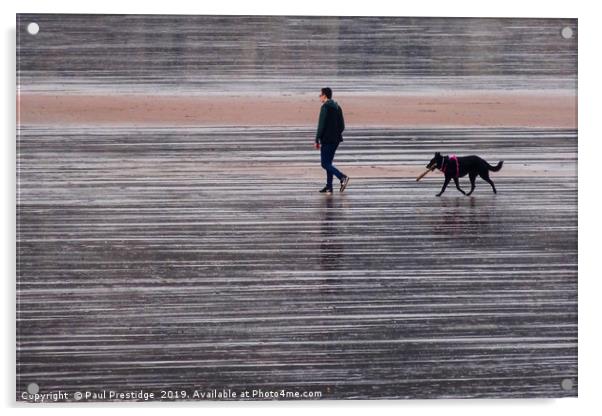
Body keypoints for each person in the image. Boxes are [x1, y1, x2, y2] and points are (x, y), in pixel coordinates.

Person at [315, 87, 349, 194]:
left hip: (327, 140)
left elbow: (321, 125)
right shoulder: (338, 107)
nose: (319, 97)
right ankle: (329, 187)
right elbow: (342, 126)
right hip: (336, 139)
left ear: (325, 95)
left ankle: (342, 177)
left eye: (320, 95)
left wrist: (317, 139)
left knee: (324, 164)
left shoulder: (325, 107)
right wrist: (336, 133)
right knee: (328, 163)